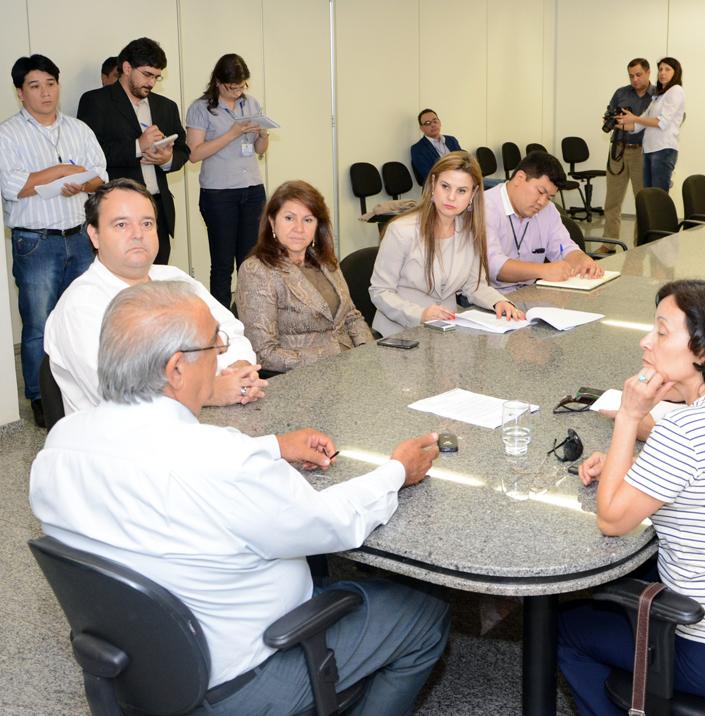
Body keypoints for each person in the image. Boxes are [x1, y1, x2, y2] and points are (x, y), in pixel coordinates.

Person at [30, 280, 451, 715]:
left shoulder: (60, 446)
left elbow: (167, 454)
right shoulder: (222, 464)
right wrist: (396, 471)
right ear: (176, 369)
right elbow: (330, 522)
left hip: (138, 665)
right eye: (215, 345)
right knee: (423, 615)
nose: (221, 356)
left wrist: (273, 445)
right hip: (246, 679)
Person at [558, 280, 705, 715]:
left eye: (661, 331)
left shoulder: (683, 433)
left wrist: (630, 417)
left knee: (566, 631)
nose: (645, 341)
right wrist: (629, 469)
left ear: (704, 353)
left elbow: (612, 520)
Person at [44, 178, 265, 415]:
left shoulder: (175, 279)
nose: (138, 234)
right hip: (121, 440)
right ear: (94, 235)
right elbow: (117, 394)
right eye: (121, 225)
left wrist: (239, 368)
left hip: (199, 419)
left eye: (147, 223)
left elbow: (229, 332)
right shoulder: (80, 305)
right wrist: (210, 390)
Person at [0, 54, 107, 427]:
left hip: (79, 238)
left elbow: (99, 176)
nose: (45, 93)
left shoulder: (78, 129)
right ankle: (39, 397)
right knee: (38, 325)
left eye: (50, 83)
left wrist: (79, 180)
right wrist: (64, 171)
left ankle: (84, 387)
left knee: (82, 317)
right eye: (35, 86)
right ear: (20, 92)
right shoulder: (8, 134)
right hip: (36, 242)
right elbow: (15, 186)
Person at [369, 151, 522, 337]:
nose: (451, 197)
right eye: (445, 186)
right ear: (433, 184)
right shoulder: (401, 230)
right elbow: (380, 291)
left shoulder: (470, 232)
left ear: (473, 194)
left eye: (461, 191)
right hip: (400, 333)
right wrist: (420, 314)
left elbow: (474, 286)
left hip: (447, 331)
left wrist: (499, 303)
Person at [237, 180, 373, 372]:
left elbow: (350, 315)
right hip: (300, 377)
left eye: (308, 220)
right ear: (272, 221)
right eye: (289, 218)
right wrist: (332, 358)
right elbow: (263, 352)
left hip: (348, 367)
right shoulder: (257, 270)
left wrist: (368, 353)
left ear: (318, 226)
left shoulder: (325, 261)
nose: (299, 229)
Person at [77, 37, 189, 265]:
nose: (152, 83)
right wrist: (138, 146)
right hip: (117, 212)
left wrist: (167, 159)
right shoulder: (96, 101)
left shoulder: (166, 106)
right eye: (147, 75)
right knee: (119, 286)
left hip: (157, 208)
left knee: (156, 283)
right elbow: (89, 156)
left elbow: (183, 151)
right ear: (127, 68)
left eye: (156, 77)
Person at [185, 53, 269, 308]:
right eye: (232, 87)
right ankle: (222, 322)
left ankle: (251, 316)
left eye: (241, 86)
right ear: (218, 82)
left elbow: (260, 150)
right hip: (219, 194)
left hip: (252, 189)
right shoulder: (201, 108)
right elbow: (194, 154)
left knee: (251, 261)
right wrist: (232, 134)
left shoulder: (251, 103)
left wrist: (263, 133)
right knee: (222, 263)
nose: (237, 92)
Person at [484, 151, 603, 293]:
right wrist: (543, 270)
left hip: (531, 294)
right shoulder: (485, 206)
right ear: (519, 178)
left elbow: (563, 247)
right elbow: (492, 266)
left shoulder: (548, 210)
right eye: (540, 192)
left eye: (549, 197)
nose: (542, 202)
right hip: (489, 300)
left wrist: (582, 260)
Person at [601, 58, 654, 241]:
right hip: (619, 150)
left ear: (648, 73)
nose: (635, 79)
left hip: (643, 152)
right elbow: (610, 114)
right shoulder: (621, 93)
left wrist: (636, 120)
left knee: (643, 201)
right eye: (631, 76)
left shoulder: (658, 96)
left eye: (639, 75)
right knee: (612, 201)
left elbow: (668, 121)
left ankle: (640, 243)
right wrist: (611, 118)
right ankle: (609, 241)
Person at [616, 57, 685, 191]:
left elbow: (661, 122)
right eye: (660, 69)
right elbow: (637, 126)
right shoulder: (658, 96)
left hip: (663, 150)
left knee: (658, 196)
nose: (662, 73)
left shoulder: (676, 90)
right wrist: (618, 123)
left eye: (667, 69)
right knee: (649, 196)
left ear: (676, 72)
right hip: (649, 150)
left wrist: (634, 118)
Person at [410, 108, 461, 186]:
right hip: (438, 187)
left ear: (440, 123)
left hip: (461, 180)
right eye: (427, 123)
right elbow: (428, 175)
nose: (433, 125)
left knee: (482, 185)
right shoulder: (417, 149)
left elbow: (463, 161)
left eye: (435, 121)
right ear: (422, 128)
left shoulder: (451, 140)